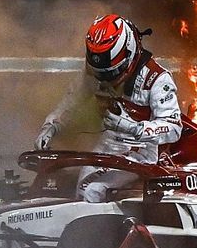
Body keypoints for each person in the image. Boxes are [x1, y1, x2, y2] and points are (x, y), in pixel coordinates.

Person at [35, 14, 182, 202]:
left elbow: (174, 128)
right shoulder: (94, 73)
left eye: (111, 73)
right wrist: (51, 127)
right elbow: (71, 103)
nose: (104, 79)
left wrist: (132, 128)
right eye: (99, 72)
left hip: (139, 153)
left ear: (128, 54)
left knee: (91, 190)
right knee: (57, 183)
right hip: (105, 148)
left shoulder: (157, 79)